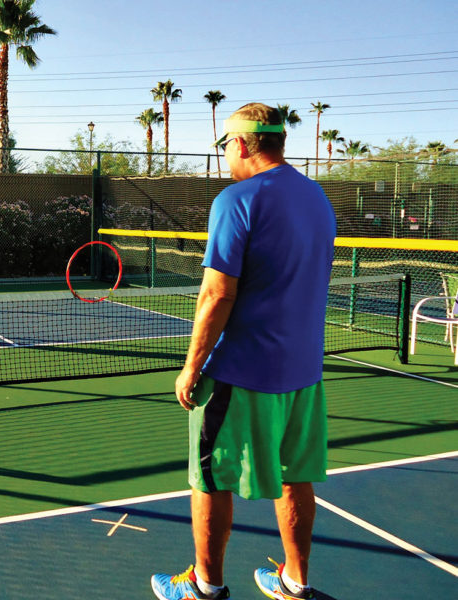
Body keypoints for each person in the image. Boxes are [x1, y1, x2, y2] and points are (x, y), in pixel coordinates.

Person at [150, 103, 336, 600]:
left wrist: (191, 367)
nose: (224, 155)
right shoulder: (319, 199)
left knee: (210, 479)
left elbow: (217, 293)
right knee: (296, 477)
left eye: (223, 146)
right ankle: (295, 582)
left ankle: (204, 588)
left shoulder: (236, 200)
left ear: (240, 144)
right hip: (303, 374)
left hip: (239, 372)